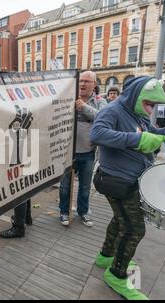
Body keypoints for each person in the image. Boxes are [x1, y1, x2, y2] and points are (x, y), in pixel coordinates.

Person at [90, 76, 165, 299]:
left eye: (155, 105)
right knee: (134, 229)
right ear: (136, 94)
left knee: (120, 219)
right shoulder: (112, 110)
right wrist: (137, 140)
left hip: (129, 179)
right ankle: (117, 275)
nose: (152, 108)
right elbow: (97, 134)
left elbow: (155, 134)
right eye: (150, 103)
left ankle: (106, 255)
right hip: (117, 181)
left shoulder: (137, 113)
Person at [59, 70, 106, 227]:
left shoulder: (100, 101)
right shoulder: (67, 97)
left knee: (85, 186)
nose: (83, 84)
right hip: (67, 152)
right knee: (65, 186)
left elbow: (104, 119)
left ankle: (83, 211)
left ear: (94, 84)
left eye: (87, 81)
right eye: (81, 81)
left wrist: (84, 107)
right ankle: (64, 212)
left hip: (88, 152)